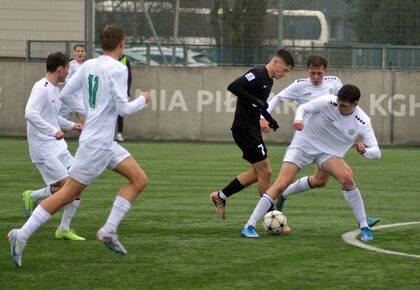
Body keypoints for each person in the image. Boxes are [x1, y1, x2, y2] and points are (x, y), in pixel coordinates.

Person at [8, 24, 151, 268]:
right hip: (98, 144)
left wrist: (89, 112)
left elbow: (64, 96)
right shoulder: (118, 68)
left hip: (103, 142)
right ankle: (22, 234)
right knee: (67, 194)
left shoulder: (88, 66)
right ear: (122, 43)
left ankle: (108, 230)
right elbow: (122, 108)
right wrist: (143, 100)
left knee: (139, 180)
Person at [241, 84, 381, 241]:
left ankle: (364, 227)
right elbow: (303, 108)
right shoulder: (329, 101)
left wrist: (365, 151)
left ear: (355, 104)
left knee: (346, 178)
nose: (339, 107)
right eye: (339, 102)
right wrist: (299, 119)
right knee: (281, 184)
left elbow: (377, 152)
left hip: (328, 153)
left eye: (344, 105)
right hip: (304, 145)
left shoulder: (362, 121)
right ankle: (249, 225)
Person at [260, 55, 380, 228]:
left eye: (319, 73)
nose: (316, 77)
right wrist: (263, 116)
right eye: (313, 73)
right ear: (307, 70)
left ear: (326, 71)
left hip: (329, 141)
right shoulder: (300, 85)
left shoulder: (334, 82)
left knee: (320, 181)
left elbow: (347, 105)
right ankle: (363, 220)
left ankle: (284, 193)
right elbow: (278, 98)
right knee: (346, 175)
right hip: (309, 138)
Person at [210, 49, 295, 219]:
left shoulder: (269, 81)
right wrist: (256, 102)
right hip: (244, 129)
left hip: (252, 129)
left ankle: (221, 196)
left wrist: (268, 119)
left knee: (258, 173)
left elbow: (259, 106)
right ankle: (271, 216)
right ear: (276, 62)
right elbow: (233, 86)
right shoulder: (256, 74)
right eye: (285, 70)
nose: (285, 74)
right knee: (266, 172)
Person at [22, 52, 85, 241]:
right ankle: (31, 215)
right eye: (67, 68)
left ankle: (63, 228)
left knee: (79, 183)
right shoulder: (40, 87)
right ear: (60, 69)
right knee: (69, 189)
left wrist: (72, 126)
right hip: (43, 149)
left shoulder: (55, 90)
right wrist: (52, 131)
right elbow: (30, 113)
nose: (68, 72)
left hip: (57, 146)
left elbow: (52, 116)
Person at [59, 43, 86, 124]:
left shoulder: (85, 66)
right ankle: (53, 136)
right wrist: (75, 82)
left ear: (85, 53)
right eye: (78, 51)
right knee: (63, 127)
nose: (80, 53)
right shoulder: (71, 65)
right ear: (74, 53)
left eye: (82, 51)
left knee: (86, 124)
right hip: (69, 99)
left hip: (80, 100)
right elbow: (64, 80)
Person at [116, 54, 132, 142]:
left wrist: (127, 92)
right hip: (111, 91)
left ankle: (119, 133)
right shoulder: (110, 59)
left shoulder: (125, 60)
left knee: (120, 113)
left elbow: (129, 78)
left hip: (122, 92)